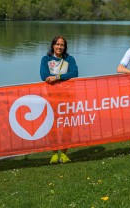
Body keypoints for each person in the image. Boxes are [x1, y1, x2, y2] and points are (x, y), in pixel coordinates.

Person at [40, 35, 78, 164]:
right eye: (57, 44)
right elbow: (43, 75)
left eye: (62, 45)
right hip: (51, 98)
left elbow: (74, 73)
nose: (59, 47)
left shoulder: (70, 59)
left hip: (67, 97)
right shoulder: (46, 59)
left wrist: (58, 77)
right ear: (53, 45)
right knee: (52, 126)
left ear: (65, 47)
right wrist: (51, 77)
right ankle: (55, 153)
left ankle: (65, 153)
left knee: (67, 125)